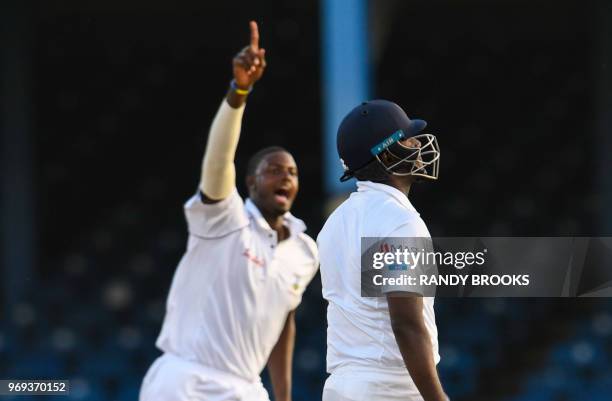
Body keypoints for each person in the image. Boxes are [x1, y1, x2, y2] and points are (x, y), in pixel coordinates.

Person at [139, 21, 319, 401]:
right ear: (251, 183)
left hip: (247, 390)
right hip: (185, 381)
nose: (285, 177)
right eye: (273, 170)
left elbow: (283, 317)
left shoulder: (305, 252)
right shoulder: (225, 219)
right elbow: (218, 161)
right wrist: (239, 92)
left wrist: (283, 395)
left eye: (292, 172)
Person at [317, 100, 448, 401]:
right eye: (408, 138)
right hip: (389, 388)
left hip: (341, 385)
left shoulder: (334, 223)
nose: (417, 144)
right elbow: (405, 324)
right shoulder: (399, 222)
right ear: (388, 153)